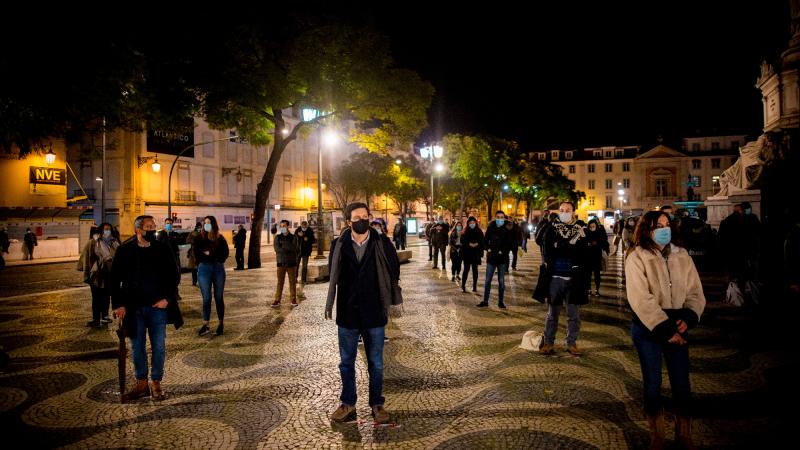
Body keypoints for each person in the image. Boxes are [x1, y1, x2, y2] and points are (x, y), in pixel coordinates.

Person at [625, 211, 706, 449]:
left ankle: (684, 433)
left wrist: (690, 316)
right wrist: (665, 328)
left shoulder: (682, 256)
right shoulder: (637, 256)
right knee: (653, 382)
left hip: (679, 324)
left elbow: (695, 292)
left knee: (682, 382)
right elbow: (640, 298)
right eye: (657, 225)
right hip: (649, 326)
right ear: (646, 230)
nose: (663, 229)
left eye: (666, 224)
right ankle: (657, 434)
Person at [325, 202, 399, 424]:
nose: (362, 221)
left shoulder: (381, 242)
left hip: (374, 312)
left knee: (376, 362)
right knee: (346, 361)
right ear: (349, 222)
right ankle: (348, 403)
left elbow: (394, 268)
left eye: (365, 216)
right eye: (357, 218)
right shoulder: (338, 244)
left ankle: (377, 404)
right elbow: (333, 274)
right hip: (347, 312)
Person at [111, 215, 183, 402]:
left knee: (159, 346)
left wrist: (167, 299)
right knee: (137, 347)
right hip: (134, 309)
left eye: (153, 226)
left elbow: (173, 275)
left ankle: (156, 382)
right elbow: (114, 279)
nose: (152, 230)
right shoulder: (125, 250)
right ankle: (141, 383)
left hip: (158, 307)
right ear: (138, 230)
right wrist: (118, 305)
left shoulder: (161, 248)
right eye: (148, 227)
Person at [539, 201, 589, 356]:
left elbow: (582, 252)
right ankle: (548, 343)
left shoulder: (581, 229)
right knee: (552, 313)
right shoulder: (552, 228)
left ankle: (571, 343)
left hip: (574, 279)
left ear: (574, 211)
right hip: (555, 278)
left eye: (568, 210)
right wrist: (568, 246)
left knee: (573, 315)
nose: (565, 212)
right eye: (562, 210)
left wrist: (559, 245)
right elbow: (544, 245)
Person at [718, 202, 761, 302]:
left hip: (730, 255)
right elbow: (754, 238)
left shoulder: (725, 222)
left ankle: (732, 297)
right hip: (745, 254)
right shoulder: (748, 220)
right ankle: (748, 296)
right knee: (747, 276)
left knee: (732, 277)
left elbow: (720, 241)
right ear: (741, 210)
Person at [194, 216, 229, 336]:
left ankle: (221, 323)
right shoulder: (199, 238)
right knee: (207, 298)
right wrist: (210, 254)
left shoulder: (220, 238)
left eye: (209, 223)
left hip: (218, 268)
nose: (207, 225)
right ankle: (206, 324)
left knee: (219, 297)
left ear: (214, 224)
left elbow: (224, 254)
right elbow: (197, 254)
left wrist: (210, 253)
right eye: (205, 223)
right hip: (204, 269)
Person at [81, 223, 120, 327]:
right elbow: (87, 258)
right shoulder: (94, 242)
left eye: (109, 229)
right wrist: (86, 274)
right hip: (96, 275)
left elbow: (119, 255)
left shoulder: (114, 242)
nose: (108, 231)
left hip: (109, 274)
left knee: (106, 296)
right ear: (101, 231)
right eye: (105, 229)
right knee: (96, 297)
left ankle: (105, 316)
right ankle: (96, 319)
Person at [478, 211, 513, 309]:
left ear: (504, 218)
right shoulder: (490, 227)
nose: (500, 219)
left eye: (502, 217)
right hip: (491, 258)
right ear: (495, 217)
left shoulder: (507, 229)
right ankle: (485, 301)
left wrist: (503, 251)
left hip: (502, 259)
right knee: (487, 280)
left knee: (501, 281)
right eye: (498, 217)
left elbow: (510, 243)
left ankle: (501, 302)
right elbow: (485, 241)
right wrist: (487, 248)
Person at [272, 220, 300, 307]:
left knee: (292, 282)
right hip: (281, 263)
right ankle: (277, 299)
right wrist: (287, 248)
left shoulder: (293, 237)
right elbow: (277, 249)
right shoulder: (277, 237)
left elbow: (295, 248)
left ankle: (293, 299)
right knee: (280, 282)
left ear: (288, 226)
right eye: (281, 226)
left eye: (284, 226)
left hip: (291, 263)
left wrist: (283, 246)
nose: (282, 227)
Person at [584, 219, 609, 296]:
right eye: (590, 226)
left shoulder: (599, 233)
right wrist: (588, 244)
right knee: (588, 274)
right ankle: (588, 289)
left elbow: (604, 241)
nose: (592, 228)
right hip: (588, 256)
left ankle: (597, 289)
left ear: (596, 226)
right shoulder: (586, 233)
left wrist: (597, 243)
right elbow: (583, 242)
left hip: (597, 256)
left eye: (593, 226)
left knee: (597, 274)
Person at [460, 216, 484, 293]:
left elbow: (482, 241)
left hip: (475, 254)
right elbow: (462, 240)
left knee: (475, 270)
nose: (472, 224)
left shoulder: (479, 231)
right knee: (466, 270)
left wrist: (477, 244)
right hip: (467, 253)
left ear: (475, 223)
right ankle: (463, 285)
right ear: (468, 223)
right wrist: (469, 244)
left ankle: (474, 286)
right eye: (470, 223)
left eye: (473, 223)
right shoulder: (465, 231)